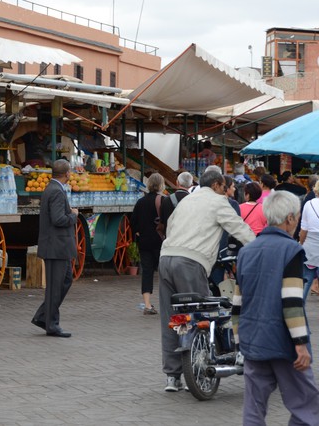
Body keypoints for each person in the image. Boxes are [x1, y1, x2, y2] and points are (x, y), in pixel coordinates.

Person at [158, 170, 255, 392]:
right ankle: (202, 366)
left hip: (165, 260)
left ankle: (172, 377)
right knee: (202, 316)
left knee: (171, 318)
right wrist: (261, 247)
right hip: (191, 262)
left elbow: (171, 226)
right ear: (218, 185)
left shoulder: (187, 199)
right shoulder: (219, 202)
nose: (226, 191)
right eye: (224, 187)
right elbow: (239, 229)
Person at [232, 191, 319, 424]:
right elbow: (291, 302)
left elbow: (237, 302)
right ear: (290, 218)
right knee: (306, 406)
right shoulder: (291, 250)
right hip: (283, 342)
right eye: (298, 217)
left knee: (253, 408)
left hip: (253, 340)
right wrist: (300, 344)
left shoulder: (246, 251)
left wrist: (239, 340)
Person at [30, 159, 78, 337]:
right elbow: (58, 219)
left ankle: (44, 316)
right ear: (67, 173)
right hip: (56, 246)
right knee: (56, 286)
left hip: (57, 246)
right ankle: (52, 324)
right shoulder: (56, 191)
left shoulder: (52, 188)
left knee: (64, 282)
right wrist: (73, 216)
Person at [130, 172, 165, 315]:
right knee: (164, 273)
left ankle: (147, 304)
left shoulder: (140, 202)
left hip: (144, 242)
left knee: (147, 272)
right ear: (161, 185)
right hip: (160, 242)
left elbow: (133, 223)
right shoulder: (163, 201)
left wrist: (139, 232)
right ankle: (166, 303)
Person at [298, 179, 319, 300]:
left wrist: (301, 244)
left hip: (310, 247)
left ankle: (299, 314)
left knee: (305, 282)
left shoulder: (309, 204)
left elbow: (303, 230)